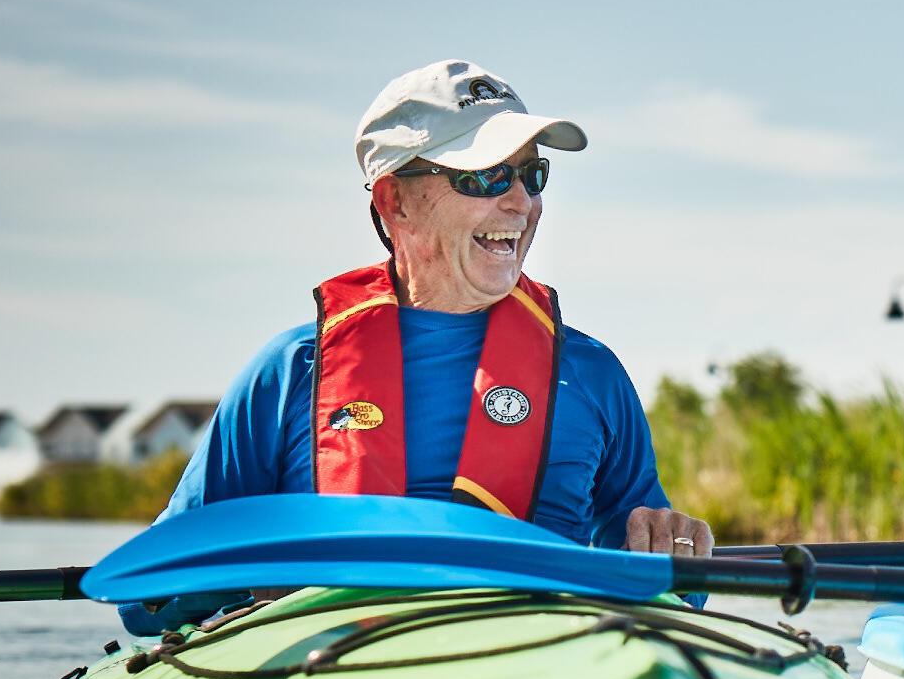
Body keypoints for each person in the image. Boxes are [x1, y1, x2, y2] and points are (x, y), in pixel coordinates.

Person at [131, 62, 706, 631]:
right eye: (482, 176)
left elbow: (658, 586)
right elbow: (143, 600)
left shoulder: (592, 374)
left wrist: (676, 555)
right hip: (332, 678)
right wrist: (243, 569)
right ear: (393, 202)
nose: (519, 202)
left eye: (531, 176)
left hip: (534, 672)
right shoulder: (287, 374)